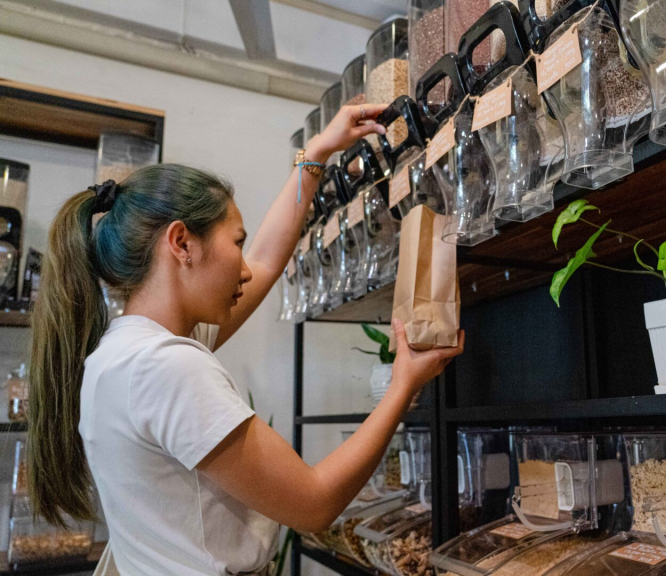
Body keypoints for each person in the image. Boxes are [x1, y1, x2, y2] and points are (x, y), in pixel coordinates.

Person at [27, 103, 464, 575]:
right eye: (235, 243)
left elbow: (268, 259)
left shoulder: (123, 353)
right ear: (181, 244)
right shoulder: (165, 368)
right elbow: (314, 504)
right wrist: (403, 386)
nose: (243, 266)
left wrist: (315, 154)